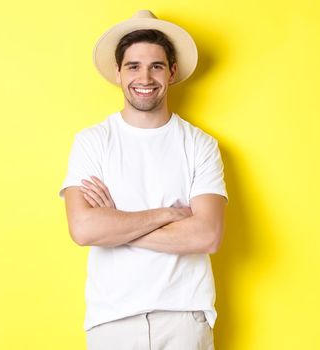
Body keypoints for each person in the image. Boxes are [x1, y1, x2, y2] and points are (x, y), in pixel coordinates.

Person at [59, 10, 226, 350]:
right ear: (118, 73)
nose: (145, 77)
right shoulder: (92, 141)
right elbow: (84, 230)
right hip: (112, 321)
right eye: (133, 66)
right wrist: (167, 214)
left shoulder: (200, 144)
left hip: (184, 318)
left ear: (172, 72)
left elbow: (207, 235)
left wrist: (116, 223)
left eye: (156, 66)